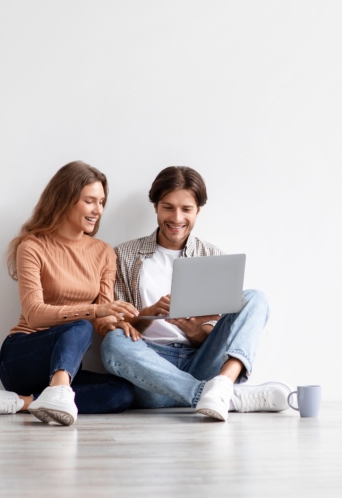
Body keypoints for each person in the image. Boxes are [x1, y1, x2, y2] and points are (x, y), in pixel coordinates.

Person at [100, 166, 289, 421]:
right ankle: (224, 396)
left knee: (256, 297)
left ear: (198, 211)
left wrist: (194, 331)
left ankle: (223, 383)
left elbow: (216, 337)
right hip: (153, 373)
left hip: (202, 361)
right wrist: (146, 315)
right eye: (168, 207)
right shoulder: (123, 256)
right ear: (155, 206)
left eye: (186, 209)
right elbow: (119, 326)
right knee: (113, 343)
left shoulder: (212, 257)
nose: (177, 218)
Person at [0, 161, 139, 426]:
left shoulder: (104, 253)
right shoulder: (33, 246)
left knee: (122, 393)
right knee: (79, 327)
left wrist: (124, 320)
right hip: (23, 356)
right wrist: (95, 311)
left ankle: (22, 402)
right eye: (90, 201)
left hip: (64, 366)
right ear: (65, 199)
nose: (98, 210)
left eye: (102, 202)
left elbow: (101, 319)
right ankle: (58, 391)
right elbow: (35, 314)